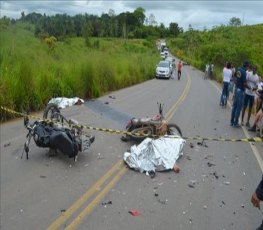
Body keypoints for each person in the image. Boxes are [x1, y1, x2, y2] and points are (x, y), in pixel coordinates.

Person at [230, 60, 249, 127]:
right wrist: (249, 87)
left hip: (236, 89)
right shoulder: (244, 72)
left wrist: (236, 83)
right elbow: (244, 83)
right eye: (248, 67)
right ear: (246, 66)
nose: (248, 68)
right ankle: (235, 123)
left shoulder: (238, 69)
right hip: (241, 91)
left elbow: (234, 76)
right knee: (239, 108)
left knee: (234, 106)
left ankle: (231, 121)